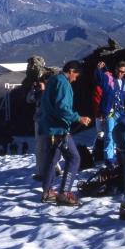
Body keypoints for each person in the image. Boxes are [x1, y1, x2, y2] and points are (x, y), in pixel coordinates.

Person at [39, 60, 91, 206]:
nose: (75, 79)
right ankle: (64, 193)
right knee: (74, 158)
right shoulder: (63, 83)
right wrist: (78, 118)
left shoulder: (54, 80)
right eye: (76, 75)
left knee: (52, 158)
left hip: (49, 127)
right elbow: (62, 107)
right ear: (71, 70)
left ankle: (47, 191)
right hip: (59, 129)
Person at [95, 60, 125, 168]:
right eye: (119, 71)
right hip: (110, 112)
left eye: (123, 72)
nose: (120, 73)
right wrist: (99, 69)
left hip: (120, 112)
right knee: (109, 134)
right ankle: (109, 159)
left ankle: (117, 156)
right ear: (115, 69)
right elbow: (99, 78)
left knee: (118, 134)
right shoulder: (109, 79)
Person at [26, 72, 62, 179]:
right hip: (40, 121)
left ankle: (51, 169)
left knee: (49, 146)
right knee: (41, 146)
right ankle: (43, 170)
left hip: (48, 121)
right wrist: (33, 89)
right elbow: (29, 99)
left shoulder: (52, 90)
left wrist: (42, 91)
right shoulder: (39, 92)